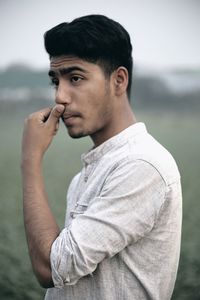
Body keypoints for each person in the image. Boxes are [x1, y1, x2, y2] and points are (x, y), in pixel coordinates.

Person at [21, 14, 182, 300]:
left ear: (118, 80)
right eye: (56, 80)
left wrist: (30, 160)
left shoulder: (141, 165)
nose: (60, 96)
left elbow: (50, 268)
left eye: (75, 78)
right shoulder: (89, 173)